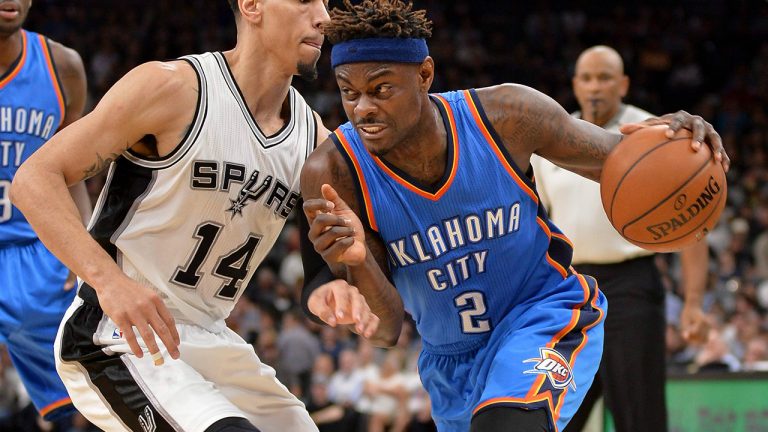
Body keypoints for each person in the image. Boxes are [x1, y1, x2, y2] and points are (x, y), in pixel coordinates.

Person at [299, 1, 729, 431]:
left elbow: (624, 162)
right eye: (348, 92)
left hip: (541, 315)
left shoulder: (505, 116)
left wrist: (675, 142)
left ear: (425, 74)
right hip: (450, 362)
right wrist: (359, 262)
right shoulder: (334, 172)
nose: (363, 109)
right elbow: (386, 329)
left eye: (381, 89)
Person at [10, 0, 378, 431]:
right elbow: (33, 180)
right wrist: (109, 282)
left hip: (212, 337)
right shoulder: (173, 88)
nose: (323, 17)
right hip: (118, 336)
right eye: (303, 1)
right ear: (252, 5)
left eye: (325, 2)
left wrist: (331, 288)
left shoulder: (314, 138)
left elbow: (320, 265)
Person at [530, 45, 710, 432]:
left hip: (632, 288)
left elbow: (693, 225)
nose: (596, 87)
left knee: (639, 416)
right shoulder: (553, 140)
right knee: (553, 414)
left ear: (623, 84)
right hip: (571, 291)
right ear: (576, 85)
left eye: (605, 77)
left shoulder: (658, 132)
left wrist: (693, 302)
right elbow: (538, 227)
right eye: (588, 78)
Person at [0, 0, 91, 422]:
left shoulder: (62, 66)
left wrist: (85, 247)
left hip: (39, 250)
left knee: (85, 400)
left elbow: (74, 172)